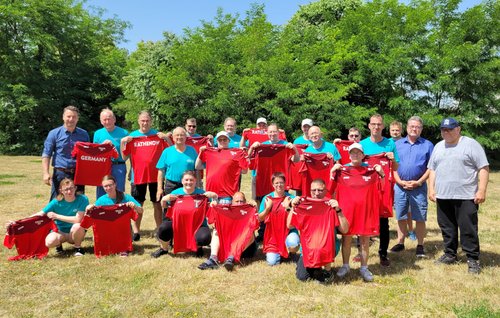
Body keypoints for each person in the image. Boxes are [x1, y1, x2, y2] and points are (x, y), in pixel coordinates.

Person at [428, 117, 489, 274]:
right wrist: (431, 189)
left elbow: (483, 167)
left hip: (466, 195)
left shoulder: (470, 144)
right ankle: (450, 254)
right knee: (447, 227)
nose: (446, 132)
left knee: (468, 228)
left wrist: (481, 190)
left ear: (458, 129)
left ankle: (472, 259)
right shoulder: (438, 146)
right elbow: (432, 169)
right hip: (443, 195)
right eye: (443, 129)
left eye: (449, 129)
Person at [331, 143, 385, 282]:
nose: (355, 155)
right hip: (347, 212)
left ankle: (364, 267)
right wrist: (332, 172)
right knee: (346, 239)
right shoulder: (342, 170)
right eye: (352, 153)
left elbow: (383, 188)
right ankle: (345, 265)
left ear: (362, 155)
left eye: (358, 153)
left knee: (364, 241)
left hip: (365, 212)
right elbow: (330, 188)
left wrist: (382, 173)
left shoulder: (370, 171)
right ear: (348, 155)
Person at [288, 179, 349, 283]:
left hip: (327, 247)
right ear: (310, 191)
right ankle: (316, 267)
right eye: (314, 190)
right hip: (309, 249)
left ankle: (328, 271)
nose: (316, 193)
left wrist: (338, 210)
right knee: (302, 277)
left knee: (324, 248)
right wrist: (293, 207)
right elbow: (289, 225)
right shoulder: (304, 204)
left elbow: (345, 229)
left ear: (325, 190)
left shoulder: (331, 205)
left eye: (320, 190)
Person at [120, 111, 169, 241]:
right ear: (138, 121)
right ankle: (136, 232)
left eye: (147, 120)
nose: (145, 123)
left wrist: (166, 138)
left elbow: (170, 151)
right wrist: (123, 142)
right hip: (138, 176)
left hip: (156, 176)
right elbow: (124, 157)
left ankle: (159, 230)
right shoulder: (132, 137)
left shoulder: (157, 135)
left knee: (157, 204)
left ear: (151, 121)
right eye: (142, 120)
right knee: (137, 204)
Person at [390, 116, 434, 257]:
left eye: (417, 127)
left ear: (421, 129)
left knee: (420, 217)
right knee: (401, 215)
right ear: (407, 128)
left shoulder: (428, 145)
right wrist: (399, 181)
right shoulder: (397, 145)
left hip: (419, 186)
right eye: (412, 126)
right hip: (400, 186)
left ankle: (420, 245)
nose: (414, 129)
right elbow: (392, 166)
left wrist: (420, 181)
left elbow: (431, 167)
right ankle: (400, 242)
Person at [360, 114, 399, 267]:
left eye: (379, 124)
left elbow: (395, 168)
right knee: (363, 221)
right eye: (373, 124)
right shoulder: (362, 144)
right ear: (369, 126)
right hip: (365, 188)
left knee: (383, 222)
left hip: (383, 188)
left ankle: (383, 253)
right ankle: (361, 251)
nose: (376, 127)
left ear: (383, 127)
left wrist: (392, 159)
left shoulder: (390, 144)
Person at [151, 171, 218, 258]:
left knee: (204, 238)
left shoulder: (202, 194)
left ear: (195, 181)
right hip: (178, 224)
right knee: (164, 228)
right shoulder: (175, 193)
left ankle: (198, 247)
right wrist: (163, 199)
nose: (188, 182)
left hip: (198, 225)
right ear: (182, 181)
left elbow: (213, 209)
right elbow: (165, 206)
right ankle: (164, 249)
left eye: (191, 180)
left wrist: (215, 198)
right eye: (186, 180)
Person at [83, 175, 143, 257]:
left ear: (115, 184)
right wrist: (89, 207)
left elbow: (141, 210)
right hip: (107, 229)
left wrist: (134, 206)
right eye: (105, 186)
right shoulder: (101, 200)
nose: (108, 188)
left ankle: (123, 248)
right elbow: (90, 214)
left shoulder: (125, 197)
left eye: (110, 185)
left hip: (122, 229)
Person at [198, 192, 258, 271]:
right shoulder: (226, 211)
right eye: (237, 201)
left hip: (246, 249)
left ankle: (232, 256)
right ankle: (213, 258)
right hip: (228, 245)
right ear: (232, 202)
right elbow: (212, 223)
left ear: (245, 202)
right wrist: (214, 207)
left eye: (241, 201)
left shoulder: (249, 210)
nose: (239, 203)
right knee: (217, 230)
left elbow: (256, 224)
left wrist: (255, 209)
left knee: (249, 233)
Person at [42, 105, 90, 200]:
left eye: (74, 117)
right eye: (68, 116)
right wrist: (46, 173)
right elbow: (46, 154)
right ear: (63, 117)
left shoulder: (84, 134)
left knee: (78, 200)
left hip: (78, 174)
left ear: (77, 119)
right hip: (60, 173)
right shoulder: (54, 133)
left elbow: (88, 154)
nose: (71, 119)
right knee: (57, 200)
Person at [35, 178, 88, 256]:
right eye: (66, 189)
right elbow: (40, 213)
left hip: (74, 232)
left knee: (78, 225)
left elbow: (78, 219)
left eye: (71, 188)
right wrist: (18, 222)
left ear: (75, 188)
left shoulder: (83, 199)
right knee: (49, 242)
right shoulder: (55, 202)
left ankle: (78, 248)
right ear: (61, 191)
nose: (69, 191)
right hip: (60, 232)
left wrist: (56, 216)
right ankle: (58, 246)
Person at [195, 131, 248, 204]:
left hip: (227, 194)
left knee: (225, 215)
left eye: (225, 139)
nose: (222, 141)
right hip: (211, 192)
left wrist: (244, 156)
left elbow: (244, 171)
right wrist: (201, 151)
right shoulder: (210, 151)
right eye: (220, 140)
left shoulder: (236, 152)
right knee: (211, 215)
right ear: (217, 141)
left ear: (229, 140)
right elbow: (197, 166)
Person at [258, 172, 299, 265]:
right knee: (272, 263)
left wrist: (288, 207)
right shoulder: (267, 198)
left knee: (293, 243)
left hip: (288, 232)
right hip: (272, 236)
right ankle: (279, 253)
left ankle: (292, 253)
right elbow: (260, 218)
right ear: (272, 184)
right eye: (276, 183)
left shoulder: (291, 198)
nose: (279, 185)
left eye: (281, 182)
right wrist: (268, 208)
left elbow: (296, 220)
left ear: (285, 183)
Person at [93, 108, 129, 199]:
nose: (107, 121)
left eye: (109, 119)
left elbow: (128, 153)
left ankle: (119, 211)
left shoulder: (124, 133)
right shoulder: (97, 133)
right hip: (103, 166)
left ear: (114, 119)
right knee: (102, 192)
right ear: (101, 121)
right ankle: (102, 211)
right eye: (104, 119)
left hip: (119, 166)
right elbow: (95, 154)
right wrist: (102, 146)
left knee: (119, 192)